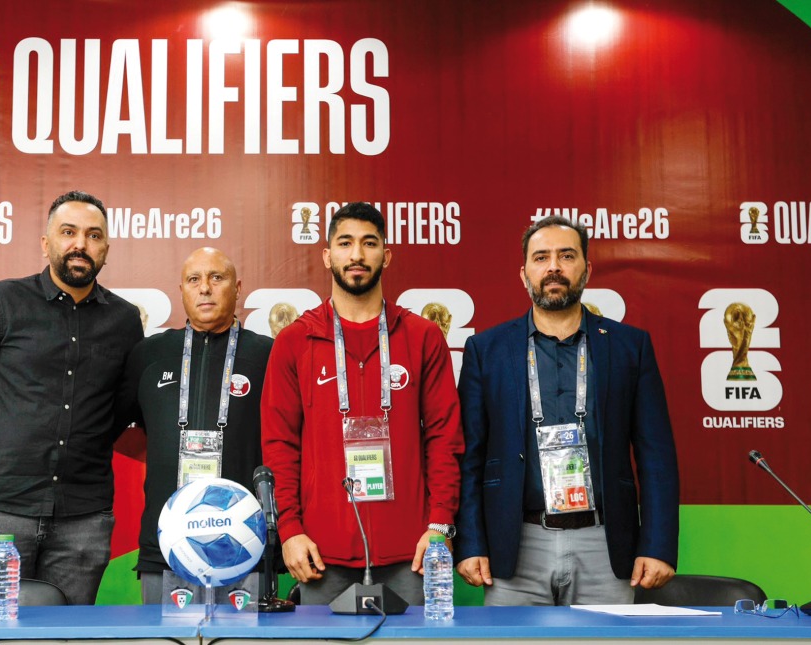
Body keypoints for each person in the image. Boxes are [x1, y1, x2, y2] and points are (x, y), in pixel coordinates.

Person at [0, 190, 144, 605]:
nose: (80, 244)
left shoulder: (124, 320)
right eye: (68, 232)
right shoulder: (2, 301)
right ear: (46, 243)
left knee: (68, 640)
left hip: (84, 518)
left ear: (106, 250)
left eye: (93, 235)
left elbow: (118, 412)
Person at [455, 215, 679, 606]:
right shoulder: (487, 350)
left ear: (587, 270)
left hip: (605, 545)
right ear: (523, 273)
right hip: (515, 546)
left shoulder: (629, 347)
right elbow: (469, 456)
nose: (554, 267)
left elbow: (655, 455)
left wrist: (658, 544)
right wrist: (471, 541)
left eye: (567, 256)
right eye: (541, 258)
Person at [261, 202, 464, 606]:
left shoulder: (422, 337)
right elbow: (279, 445)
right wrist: (290, 530)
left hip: (412, 553)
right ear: (327, 255)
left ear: (386, 255)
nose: (357, 255)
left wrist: (439, 523)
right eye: (345, 243)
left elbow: (445, 438)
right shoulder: (295, 341)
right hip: (319, 553)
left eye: (369, 243)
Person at [114, 247, 273, 603]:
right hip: (167, 549)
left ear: (238, 288)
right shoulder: (149, 355)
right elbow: (106, 427)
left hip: (245, 546)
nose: (205, 288)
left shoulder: (269, 356)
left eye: (217, 278)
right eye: (194, 280)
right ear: (181, 289)